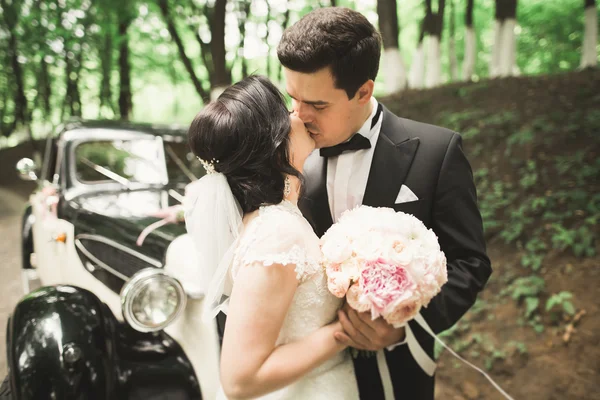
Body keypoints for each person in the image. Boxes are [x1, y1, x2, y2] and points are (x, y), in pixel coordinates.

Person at [277, 7, 492, 400]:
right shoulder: (290, 153)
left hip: (399, 371)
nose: (298, 116)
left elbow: (469, 263)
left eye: (317, 105)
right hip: (309, 373)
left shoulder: (436, 152)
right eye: (293, 98)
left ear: (364, 91)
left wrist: (403, 323)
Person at [185, 75, 360, 399]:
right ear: (275, 143)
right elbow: (240, 381)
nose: (299, 115)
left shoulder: (273, 220)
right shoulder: (277, 233)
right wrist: (344, 332)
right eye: (286, 111)